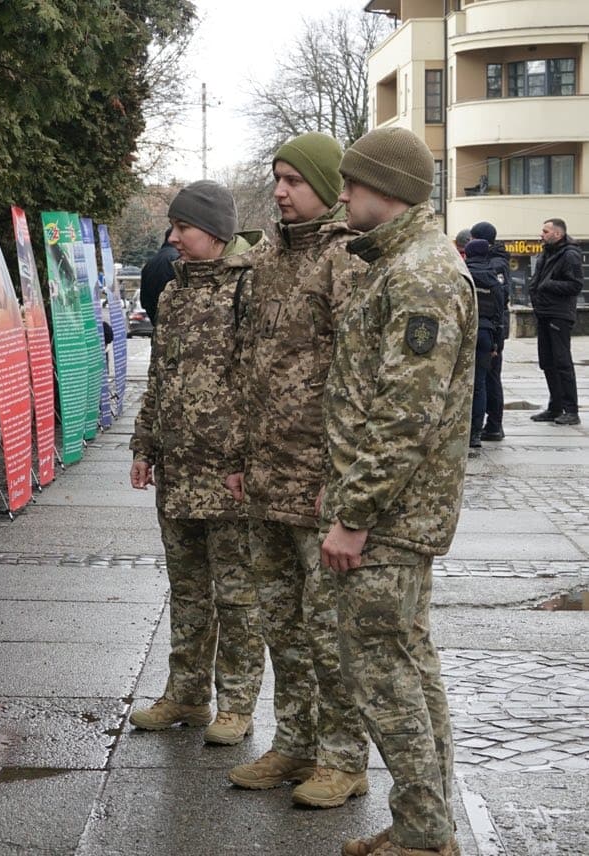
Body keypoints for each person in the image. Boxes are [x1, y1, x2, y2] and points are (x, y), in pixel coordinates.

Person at [323, 126, 474, 856]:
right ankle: (426, 825)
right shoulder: (404, 264)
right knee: (408, 661)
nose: (342, 194)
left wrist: (353, 516)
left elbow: (405, 415)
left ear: (386, 189)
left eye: (352, 183)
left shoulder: (419, 274)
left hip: (387, 517)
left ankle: (424, 835)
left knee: (381, 672)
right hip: (397, 512)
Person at [224, 133, 370, 809]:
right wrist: (238, 457)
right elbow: (245, 363)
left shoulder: (347, 259)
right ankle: (295, 743)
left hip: (320, 481)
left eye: (293, 180)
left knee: (329, 631)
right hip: (265, 478)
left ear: (326, 184)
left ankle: (343, 760)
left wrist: (341, 481)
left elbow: (361, 377)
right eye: (276, 178)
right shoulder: (265, 258)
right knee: (280, 624)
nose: (280, 191)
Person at [128, 180, 265, 747]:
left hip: (227, 476)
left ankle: (236, 704)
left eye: (183, 227)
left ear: (212, 231)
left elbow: (261, 383)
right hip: (179, 471)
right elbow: (159, 378)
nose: (174, 237)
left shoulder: (249, 288)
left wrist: (248, 460)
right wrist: (144, 445)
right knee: (186, 590)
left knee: (237, 595)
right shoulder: (174, 292)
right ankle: (186, 693)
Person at [527, 217, 583, 425]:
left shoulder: (570, 255)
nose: (541, 234)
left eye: (545, 231)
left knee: (562, 362)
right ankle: (555, 407)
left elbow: (575, 285)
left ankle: (571, 411)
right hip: (544, 312)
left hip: (559, 314)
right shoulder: (547, 251)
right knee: (547, 362)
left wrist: (548, 285)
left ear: (557, 234)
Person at [470, 221, 510, 440]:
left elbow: (500, 300)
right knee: (486, 379)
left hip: (490, 327)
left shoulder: (494, 265)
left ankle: (493, 425)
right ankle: (486, 426)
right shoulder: (495, 263)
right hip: (493, 328)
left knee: (489, 379)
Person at [464, 238, 504, 448]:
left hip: (465, 332)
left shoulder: (461, 273)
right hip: (486, 334)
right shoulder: (493, 278)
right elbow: (500, 313)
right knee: (480, 384)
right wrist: (496, 345)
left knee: (461, 384)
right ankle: (475, 434)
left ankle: (460, 430)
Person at [139, 227, 179, 326]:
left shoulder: (150, 263)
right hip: (176, 318)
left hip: (156, 319)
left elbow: (144, 298)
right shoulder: (179, 260)